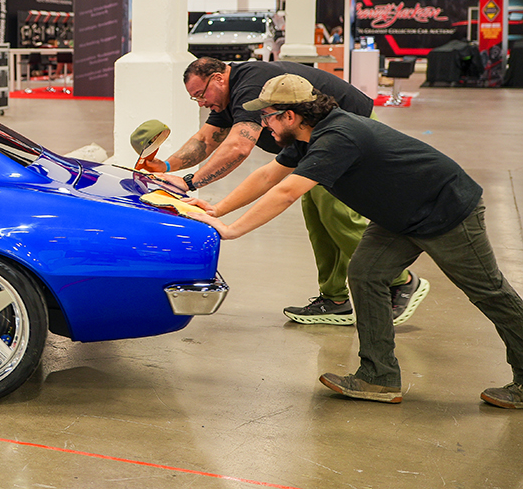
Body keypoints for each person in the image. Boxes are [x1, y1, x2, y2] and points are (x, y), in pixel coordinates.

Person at [185, 74, 523, 408]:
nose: (264, 125)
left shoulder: (337, 136)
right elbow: (267, 176)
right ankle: (379, 377)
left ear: (289, 116)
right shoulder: (305, 138)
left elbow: (286, 193)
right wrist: (216, 209)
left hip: (444, 208)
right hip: (399, 215)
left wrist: (231, 230)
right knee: (365, 274)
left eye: (267, 116)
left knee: (489, 291)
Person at [146, 57, 424, 325]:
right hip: (306, 138)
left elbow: (240, 148)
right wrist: (169, 168)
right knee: (316, 215)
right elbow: (209, 142)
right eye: (195, 98)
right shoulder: (228, 102)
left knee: (337, 212)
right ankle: (335, 300)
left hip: (346, 131)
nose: (201, 102)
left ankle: (401, 281)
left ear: (218, 78)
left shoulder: (250, 85)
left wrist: (192, 184)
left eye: (200, 94)